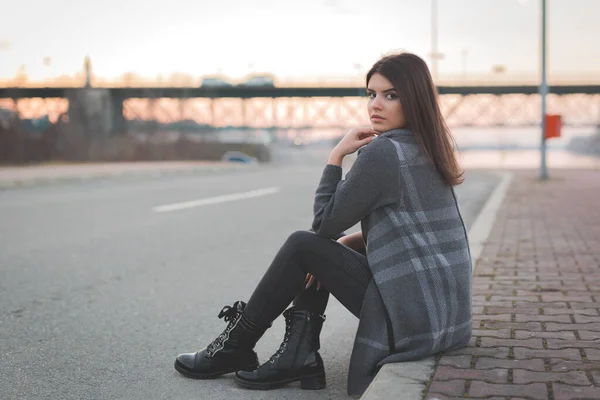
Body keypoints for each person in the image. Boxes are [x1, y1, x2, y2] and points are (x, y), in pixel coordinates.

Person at [173, 51, 473, 396]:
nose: (376, 105)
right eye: (371, 94)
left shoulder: (384, 153)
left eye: (391, 95)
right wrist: (344, 245)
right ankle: (297, 354)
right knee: (318, 249)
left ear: (414, 99)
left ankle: (236, 346)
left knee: (302, 245)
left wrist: (336, 156)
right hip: (445, 314)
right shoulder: (430, 146)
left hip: (411, 320)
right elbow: (410, 230)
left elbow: (324, 224)